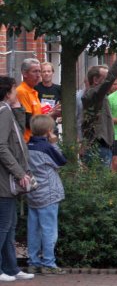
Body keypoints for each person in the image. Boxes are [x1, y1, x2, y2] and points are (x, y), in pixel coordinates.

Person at [0, 76, 35, 282]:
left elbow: (19, 133)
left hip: (7, 179)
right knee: (4, 225)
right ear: (7, 93)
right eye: (14, 90)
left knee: (10, 225)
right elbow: (2, 146)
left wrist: (18, 108)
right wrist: (19, 172)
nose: (17, 93)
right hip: (5, 180)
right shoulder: (3, 112)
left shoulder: (7, 110)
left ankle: (10, 267)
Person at [26, 115, 67, 275]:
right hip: (49, 193)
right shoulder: (47, 147)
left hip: (33, 192)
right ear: (48, 130)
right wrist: (54, 143)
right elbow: (61, 161)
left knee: (34, 230)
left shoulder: (27, 146)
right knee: (49, 229)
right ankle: (49, 263)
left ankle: (33, 262)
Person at [81, 50, 117, 166]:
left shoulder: (98, 95)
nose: (111, 82)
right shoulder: (93, 94)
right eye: (106, 78)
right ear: (96, 80)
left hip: (102, 145)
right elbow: (109, 80)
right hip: (97, 146)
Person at [17, 58, 43, 141]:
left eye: (39, 71)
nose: (38, 75)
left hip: (35, 138)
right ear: (24, 74)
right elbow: (28, 121)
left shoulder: (33, 91)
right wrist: (50, 116)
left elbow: (36, 115)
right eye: (35, 71)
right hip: (27, 140)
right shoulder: (22, 91)